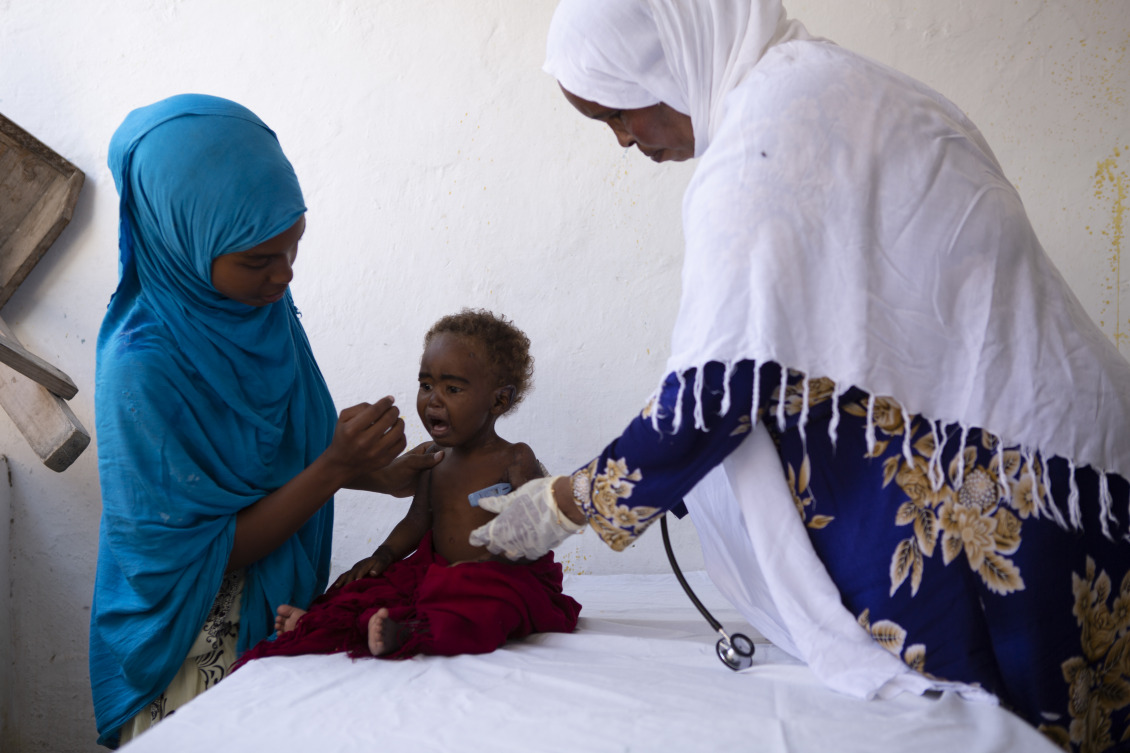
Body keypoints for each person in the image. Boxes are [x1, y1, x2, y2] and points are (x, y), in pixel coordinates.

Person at [468, 2, 1130, 752]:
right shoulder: (831, 86)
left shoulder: (766, 136)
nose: (623, 138)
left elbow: (716, 394)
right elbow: (799, 359)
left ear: (668, 59)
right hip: (1063, 440)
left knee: (1046, 714)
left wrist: (565, 500)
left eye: (618, 110)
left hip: (1023, 481)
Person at [90, 94, 439, 748]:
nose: (283, 276)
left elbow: (272, 463)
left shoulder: (259, 315)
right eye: (257, 260)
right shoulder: (142, 365)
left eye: (293, 246)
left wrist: (378, 473)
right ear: (182, 235)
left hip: (275, 610)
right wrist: (337, 465)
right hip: (186, 646)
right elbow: (199, 555)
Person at [233, 309, 581, 663]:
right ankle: (324, 624)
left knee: (487, 610)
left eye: (453, 388)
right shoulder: (434, 456)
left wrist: (491, 561)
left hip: (502, 575)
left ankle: (411, 633)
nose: (434, 399)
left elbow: (539, 525)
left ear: (498, 401)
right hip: (438, 570)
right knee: (366, 589)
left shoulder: (515, 458)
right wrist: (382, 555)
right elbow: (417, 521)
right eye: (426, 385)